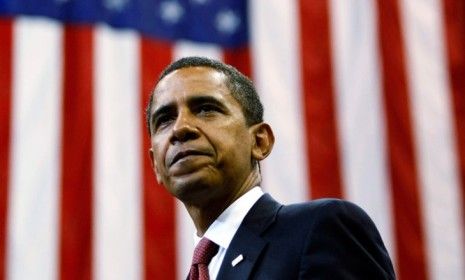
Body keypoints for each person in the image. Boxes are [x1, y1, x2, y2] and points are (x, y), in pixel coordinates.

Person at [146, 56, 395, 279]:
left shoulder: (321, 229)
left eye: (206, 109)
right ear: (156, 165)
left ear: (259, 141)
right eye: (165, 119)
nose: (180, 128)